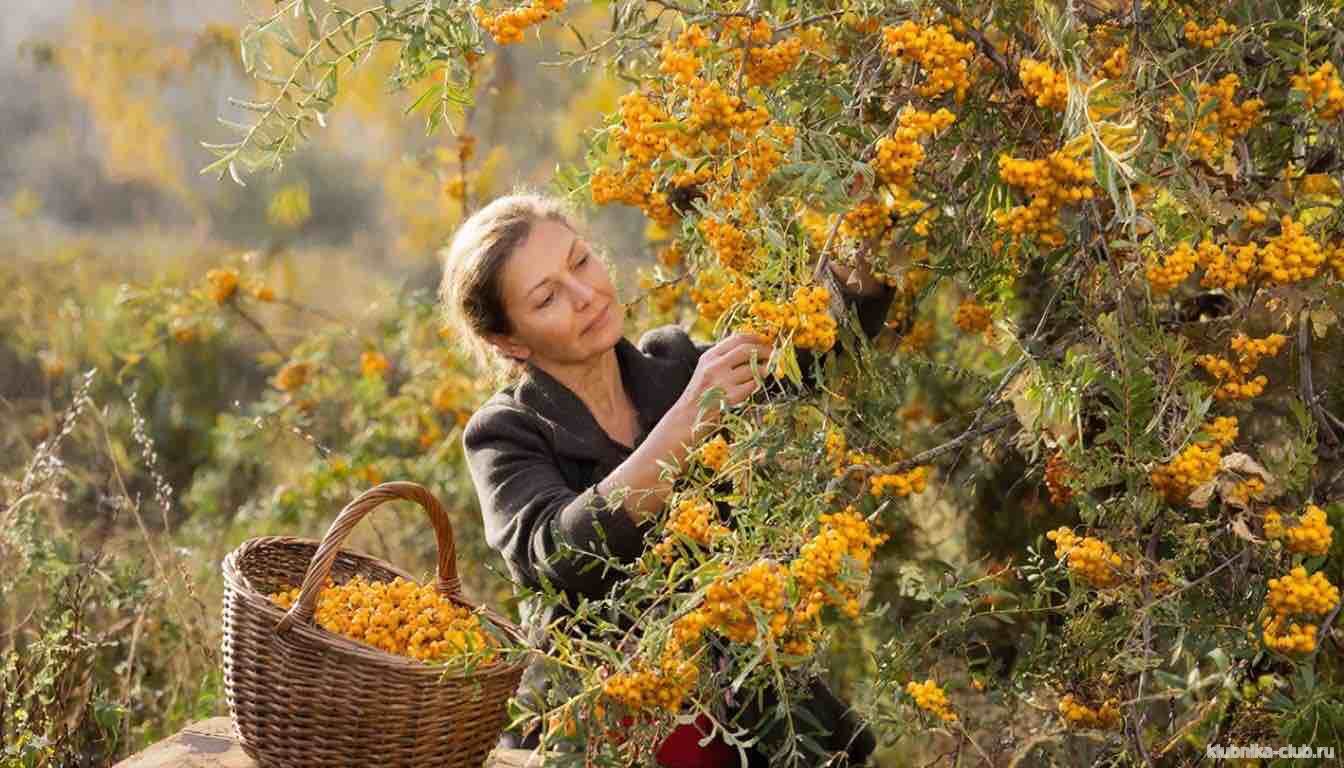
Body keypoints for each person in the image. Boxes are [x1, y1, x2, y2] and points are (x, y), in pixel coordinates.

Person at [440, 190, 895, 767]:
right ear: (510, 341)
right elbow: (559, 551)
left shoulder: (672, 364)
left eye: (580, 262)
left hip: (750, 712)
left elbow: (813, 356)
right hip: (610, 729)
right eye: (547, 297)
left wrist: (866, 239)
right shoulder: (505, 432)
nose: (584, 296)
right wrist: (688, 422)